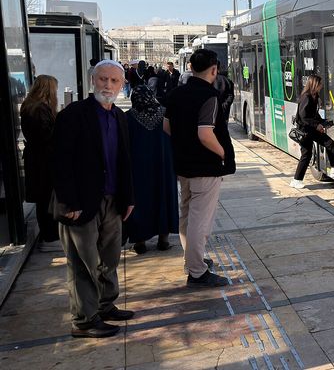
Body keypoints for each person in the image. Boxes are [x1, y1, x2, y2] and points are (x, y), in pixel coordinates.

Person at [53, 60, 135, 338]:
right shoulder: (73, 115)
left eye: (114, 81)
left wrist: (129, 197)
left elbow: (125, 161)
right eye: (103, 80)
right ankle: (84, 320)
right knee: (83, 263)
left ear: (122, 85)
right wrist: (68, 203)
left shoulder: (120, 116)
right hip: (81, 205)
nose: (108, 86)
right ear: (92, 81)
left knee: (109, 259)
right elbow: (60, 163)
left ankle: (104, 304)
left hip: (113, 200)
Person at [164, 49, 235, 288]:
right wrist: (223, 153)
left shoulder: (175, 94)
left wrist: (184, 141)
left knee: (186, 214)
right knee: (200, 221)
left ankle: (192, 260)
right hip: (205, 167)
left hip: (182, 164)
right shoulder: (209, 96)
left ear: (191, 67)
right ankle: (196, 271)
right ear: (214, 70)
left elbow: (166, 126)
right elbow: (205, 134)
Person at [124, 85, 179, 255]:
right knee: (164, 197)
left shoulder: (128, 117)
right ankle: (163, 239)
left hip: (138, 168)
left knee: (140, 201)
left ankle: (140, 242)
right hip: (164, 164)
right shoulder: (165, 113)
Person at [20, 74, 60, 251]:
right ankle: (49, 236)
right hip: (42, 160)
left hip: (38, 158)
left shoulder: (31, 106)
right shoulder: (39, 109)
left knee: (44, 198)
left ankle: (49, 234)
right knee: (45, 198)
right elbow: (47, 136)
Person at [291, 74, 334, 189]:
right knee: (306, 155)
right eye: (320, 83)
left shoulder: (314, 96)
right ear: (315, 84)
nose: (322, 86)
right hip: (305, 131)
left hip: (311, 129)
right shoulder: (306, 97)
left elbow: (313, 114)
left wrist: (323, 122)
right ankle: (296, 180)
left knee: (329, 143)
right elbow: (303, 117)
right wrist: (317, 125)